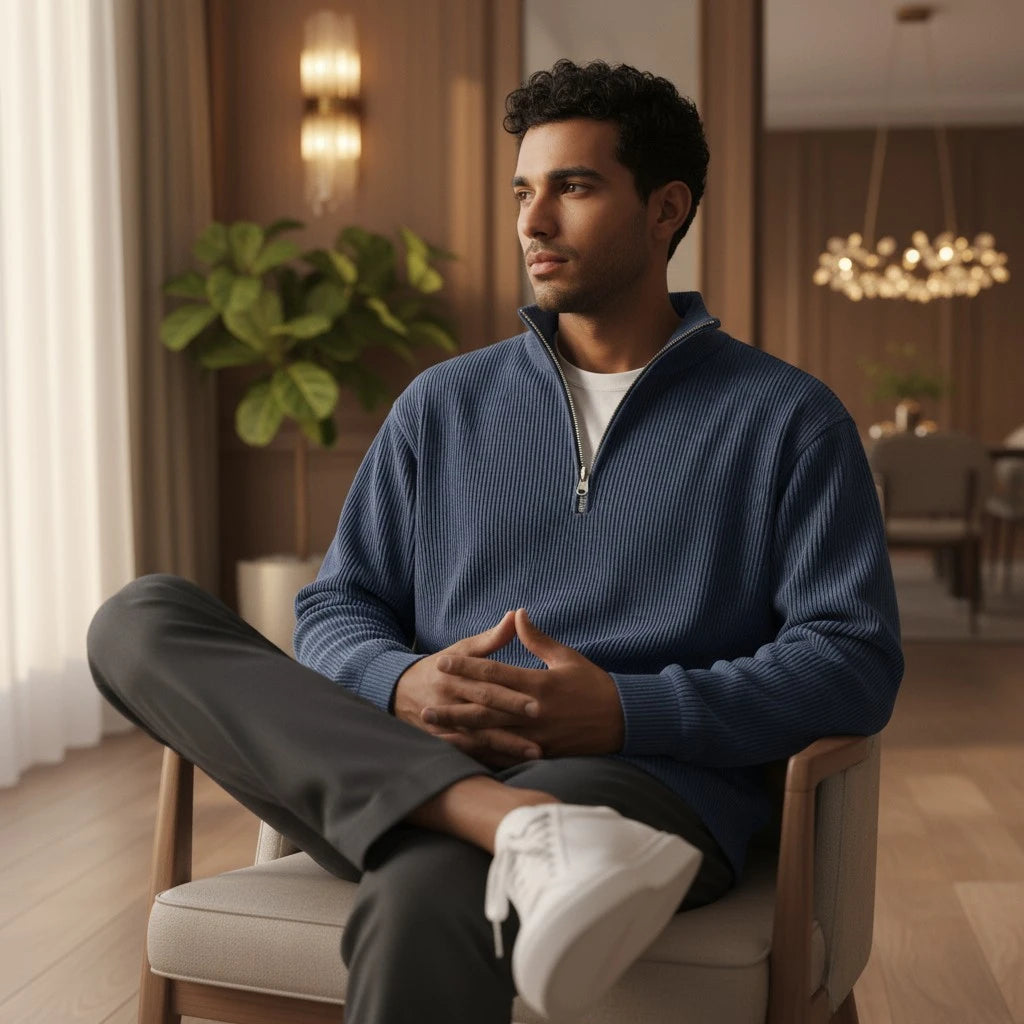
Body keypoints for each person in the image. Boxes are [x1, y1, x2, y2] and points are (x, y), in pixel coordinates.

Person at [87, 59, 903, 1023]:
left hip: (635, 785)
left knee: (429, 891)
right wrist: (399, 682)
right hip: (412, 755)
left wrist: (625, 712)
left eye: (575, 186)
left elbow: (850, 661)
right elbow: (338, 606)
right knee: (138, 619)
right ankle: (518, 826)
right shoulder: (443, 404)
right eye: (524, 189)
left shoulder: (787, 419)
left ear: (665, 209)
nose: (534, 221)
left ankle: (529, 828)